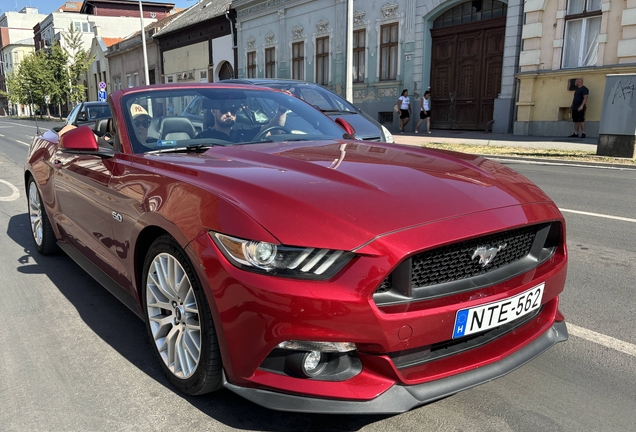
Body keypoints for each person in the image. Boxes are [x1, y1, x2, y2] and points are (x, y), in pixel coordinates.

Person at [196, 100, 287, 142]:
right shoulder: (203, 138)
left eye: (233, 110)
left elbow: (273, 130)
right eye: (224, 110)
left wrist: (282, 110)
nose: (229, 114)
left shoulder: (244, 133)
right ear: (213, 111)